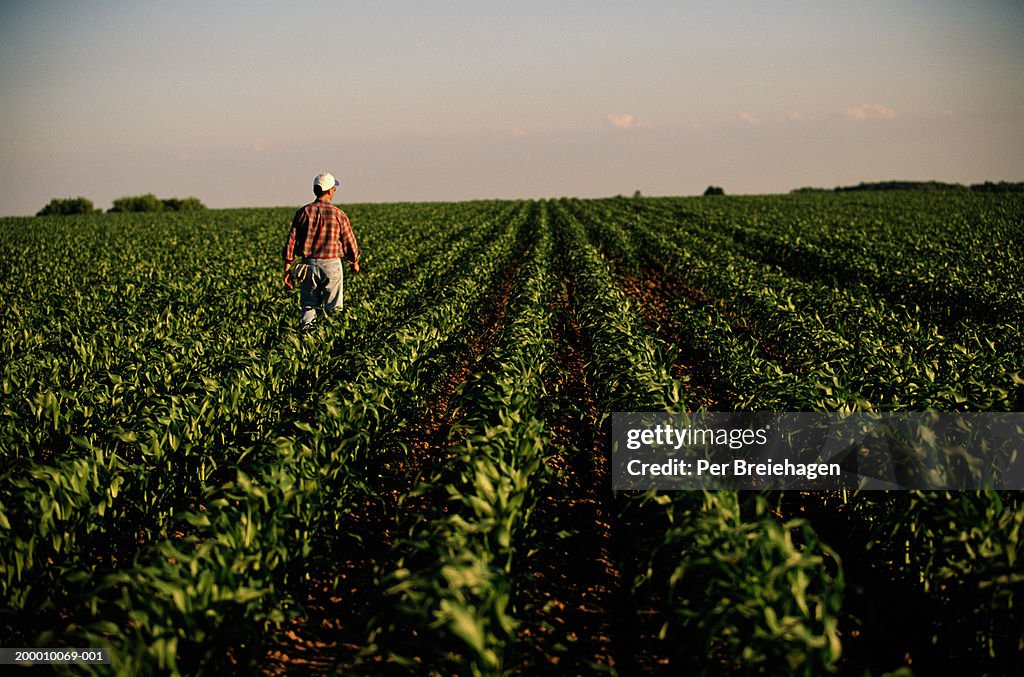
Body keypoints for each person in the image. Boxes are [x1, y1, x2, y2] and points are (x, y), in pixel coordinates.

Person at [282, 172, 361, 330]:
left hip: (308, 265)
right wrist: (354, 261)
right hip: (332, 265)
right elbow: (349, 241)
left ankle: (306, 339)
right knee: (334, 308)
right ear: (330, 191)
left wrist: (288, 266)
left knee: (309, 306)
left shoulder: (303, 212)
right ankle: (332, 340)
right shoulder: (338, 214)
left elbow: (292, 239)